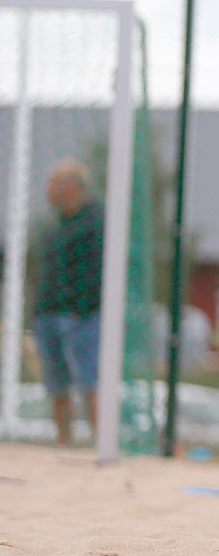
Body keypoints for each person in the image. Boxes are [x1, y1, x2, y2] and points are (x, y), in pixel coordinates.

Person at [33, 158, 103, 448]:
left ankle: (102, 440)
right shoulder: (56, 226)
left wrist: (84, 306)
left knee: (90, 379)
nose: (47, 189)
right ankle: (64, 440)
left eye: (53, 183)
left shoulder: (96, 222)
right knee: (56, 383)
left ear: (71, 187)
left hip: (83, 314)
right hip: (49, 312)